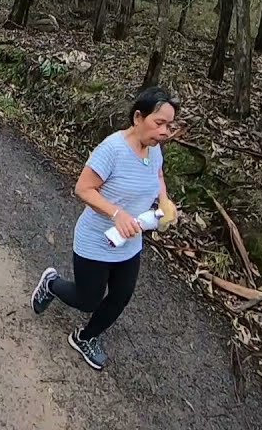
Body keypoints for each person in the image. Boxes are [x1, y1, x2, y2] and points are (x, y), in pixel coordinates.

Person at [30, 86, 180, 370]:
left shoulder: (154, 148)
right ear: (138, 117)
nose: (165, 131)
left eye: (169, 126)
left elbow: (158, 173)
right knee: (87, 300)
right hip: (96, 240)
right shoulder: (112, 149)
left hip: (130, 242)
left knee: (121, 296)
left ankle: (85, 337)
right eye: (159, 123)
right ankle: (51, 283)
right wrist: (116, 213)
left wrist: (164, 200)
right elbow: (83, 189)